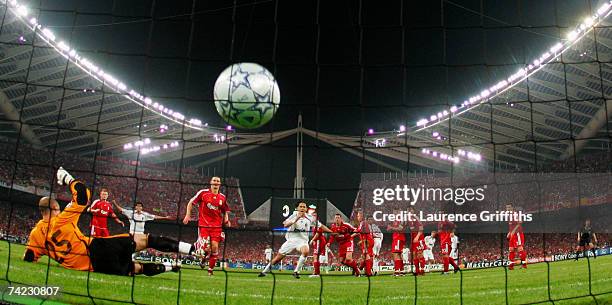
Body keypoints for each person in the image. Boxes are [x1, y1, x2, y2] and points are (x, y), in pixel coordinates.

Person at [23, 167, 194, 276]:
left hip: (94, 267)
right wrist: (67, 178)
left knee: (136, 269)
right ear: (55, 209)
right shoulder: (61, 220)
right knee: (146, 239)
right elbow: (83, 195)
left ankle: (171, 266)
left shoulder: (35, 234)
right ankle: (193, 250)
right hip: (96, 248)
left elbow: (29, 257)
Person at [258, 202, 333, 278]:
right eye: (301, 207)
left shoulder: (310, 218)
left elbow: (321, 226)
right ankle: (264, 271)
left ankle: (296, 271)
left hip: (303, 241)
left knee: (306, 251)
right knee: (277, 259)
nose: (302, 208)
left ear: (306, 209)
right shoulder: (293, 216)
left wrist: (331, 232)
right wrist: (297, 218)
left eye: (304, 207)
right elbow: (285, 224)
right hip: (291, 240)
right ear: (297, 208)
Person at [183, 176, 230, 276]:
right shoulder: (203, 193)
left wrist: (226, 219)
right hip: (204, 224)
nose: (216, 182)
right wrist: (188, 215)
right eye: (214, 180)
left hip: (217, 227)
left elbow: (225, 210)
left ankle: (210, 270)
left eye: (218, 181)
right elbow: (191, 202)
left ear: (220, 184)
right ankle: (195, 254)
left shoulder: (222, 197)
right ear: (211, 182)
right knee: (204, 248)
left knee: (214, 247)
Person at [308, 205, 327, 277]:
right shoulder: (313, 224)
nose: (313, 217)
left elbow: (318, 234)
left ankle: (316, 273)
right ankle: (316, 272)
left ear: (317, 216)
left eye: (314, 215)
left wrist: (312, 240)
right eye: (312, 215)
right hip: (318, 241)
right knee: (316, 257)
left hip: (320, 241)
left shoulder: (318, 224)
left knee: (315, 256)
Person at [506, 204, 526, 270]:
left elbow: (520, 222)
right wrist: (509, 232)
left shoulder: (515, 214)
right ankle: (511, 266)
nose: (507, 208)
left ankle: (524, 265)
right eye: (506, 207)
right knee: (511, 250)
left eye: (509, 207)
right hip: (512, 234)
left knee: (520, 249)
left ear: (512, 208)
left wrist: (513, 231)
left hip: (518, 233)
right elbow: (511, 226)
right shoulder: (509, 215)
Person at [354, 210, 373, 276]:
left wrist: (351, 235)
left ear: (361, 216)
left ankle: (367, 272)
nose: (357, 217)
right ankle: (363, 270)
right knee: (366, 256)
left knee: (366, 256)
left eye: (358, 216)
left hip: (367, 241)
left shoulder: (363, 223)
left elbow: (359, 231)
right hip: (366, 241)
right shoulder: (362, 223)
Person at [387, 209, 406, 276]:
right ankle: (401, 270)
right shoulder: (394, 220)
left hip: (398, 237)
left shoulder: (401, 219)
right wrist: (390, 228)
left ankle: (397, 271)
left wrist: (391, 228)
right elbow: (389, 229)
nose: (394, 213)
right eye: (394, 212)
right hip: (397, 237)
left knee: (395, 253)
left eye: (396, 211)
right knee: (399, 254)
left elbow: (400, 229)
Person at [408, 208, 426, 275]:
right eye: (408, 210)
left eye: (411, 210)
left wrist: (417, 237)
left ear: (414, 211)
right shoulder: (409, 219)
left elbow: (421, 228)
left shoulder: (416, 218)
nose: (409, 211)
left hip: (418, 238)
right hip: (413, 238)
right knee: (414, 254)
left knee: (419, 253)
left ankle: (422, 270)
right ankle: (417, 270)